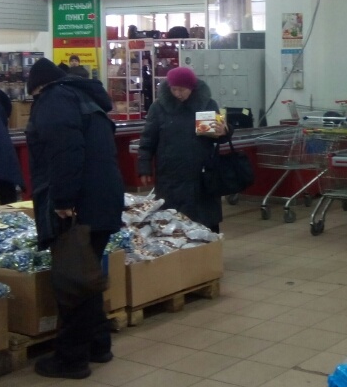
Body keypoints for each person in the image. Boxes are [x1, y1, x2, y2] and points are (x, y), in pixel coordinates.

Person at [24, 59, 124, 380]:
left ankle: (71, 360)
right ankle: (98, 345)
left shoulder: (55, 100)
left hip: (80, 205)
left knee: (72, 282)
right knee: (86, 274)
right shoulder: (85, 98)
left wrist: (63, 200)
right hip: (103, 199)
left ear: (39, 87)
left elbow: (65, 151)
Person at [137, 67, 228, 232]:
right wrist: (144, 167)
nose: (178, 93)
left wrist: (224, 132)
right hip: (170, 175)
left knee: (205, 223)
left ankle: (209, 247)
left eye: (182, 89)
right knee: (171, 224)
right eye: (174, 89)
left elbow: (219, 137)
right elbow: (148, 139)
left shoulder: (208, 104)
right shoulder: (158, 107)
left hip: (201, 175)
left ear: (191, 87)